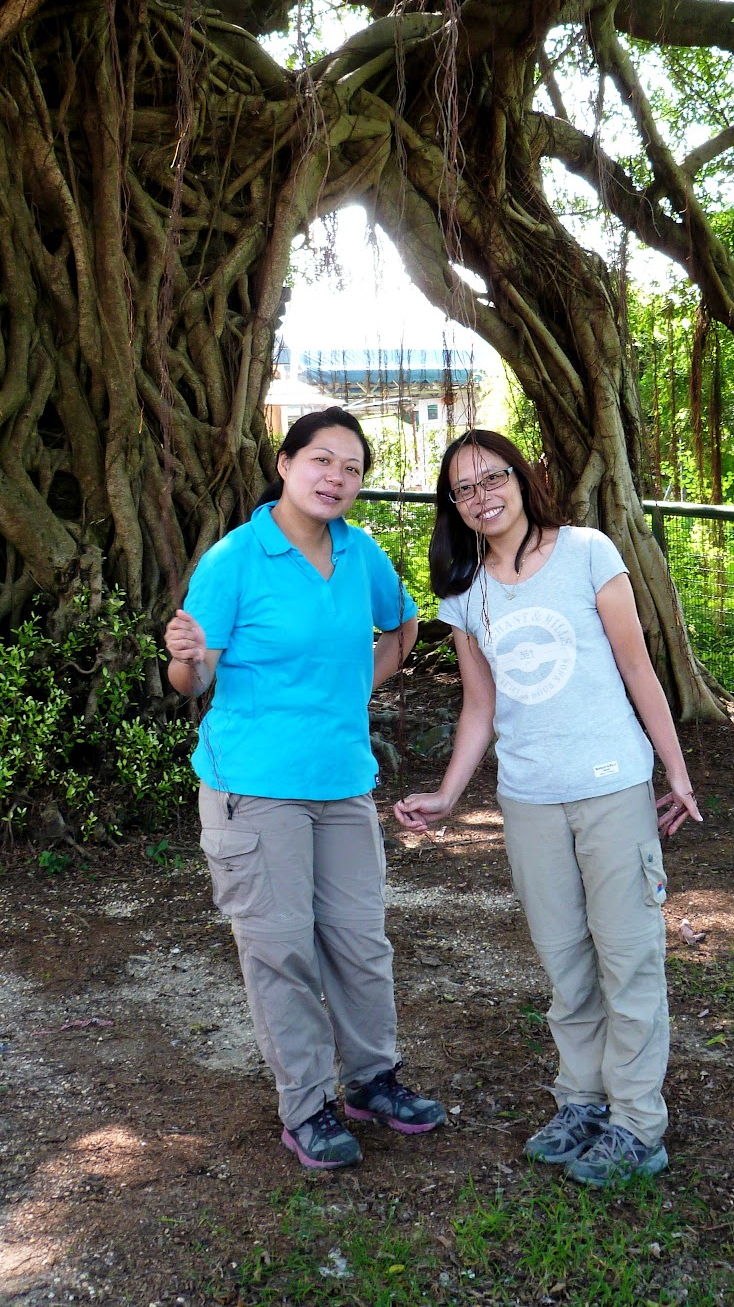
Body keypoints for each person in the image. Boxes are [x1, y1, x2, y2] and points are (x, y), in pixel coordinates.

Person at [394, 430, 701, 1189]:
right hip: (529, 799)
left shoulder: (588, 552)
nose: (482, 497)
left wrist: (674, 769)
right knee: (565, 963)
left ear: (521, 477)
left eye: (492, 477)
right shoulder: (465, 592)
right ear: (453, 505)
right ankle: (581, 1102)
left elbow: (638, 668)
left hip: (611, 786)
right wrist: (448, 795)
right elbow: (479, 705)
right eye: (464, 489)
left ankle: (638, 1124)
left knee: (627, 958)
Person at [165, 407, 446, 1171]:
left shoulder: (362, 554)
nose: (336, 478)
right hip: (254, 787)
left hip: (342, 782)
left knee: (359, 941)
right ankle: (307, 1106)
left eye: (352, 469)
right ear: (285, 464)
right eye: (322, 459)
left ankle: (372, 1081)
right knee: (281, 948)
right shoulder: (234, 559)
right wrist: (185, 655)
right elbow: (193, 677)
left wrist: (355, 690)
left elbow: (402, 627)